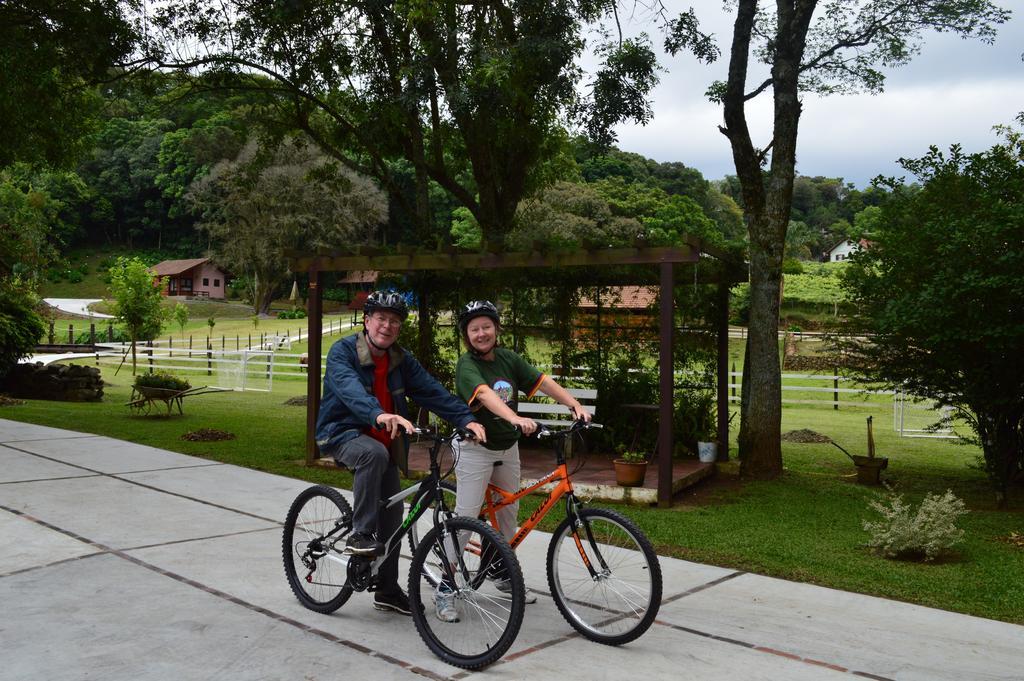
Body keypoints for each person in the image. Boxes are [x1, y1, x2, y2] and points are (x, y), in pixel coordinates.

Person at [316, 290, 486, 616]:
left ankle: (387, 589)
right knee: (373, 455)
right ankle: (361, 533)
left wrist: (467, 419)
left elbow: (432, 391)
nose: (387, 325)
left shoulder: (400, 360)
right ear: (367, 321)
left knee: (395, 521)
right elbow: (349, 389)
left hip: (383, 442)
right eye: (381, 318)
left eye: (394, 321)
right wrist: (379, 414)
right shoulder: (343, 352)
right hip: (341, 433)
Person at [442, 300, 591, 620]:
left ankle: (497, 570)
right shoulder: (467, 365)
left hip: (506, 449)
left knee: (508, 514)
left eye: (486, 326)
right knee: (466, 517)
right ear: (467, 335)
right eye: (474, 329)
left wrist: (574, 405)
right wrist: (514, 417)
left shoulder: (508, 359)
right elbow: (484, 395)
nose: (482, 333)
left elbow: (543, 381)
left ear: (496, 329)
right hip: (474, 448)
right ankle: (445, 586)